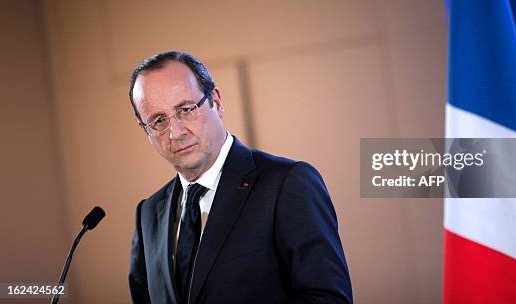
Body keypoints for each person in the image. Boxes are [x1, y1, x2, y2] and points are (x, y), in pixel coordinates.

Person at [128, 51, 352, 304]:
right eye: (158, 121)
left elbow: (328, 299)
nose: (175, 132)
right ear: (144, 129)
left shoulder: (287, 184)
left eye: (186, 109)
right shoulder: (148, 213)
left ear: (216, 101)